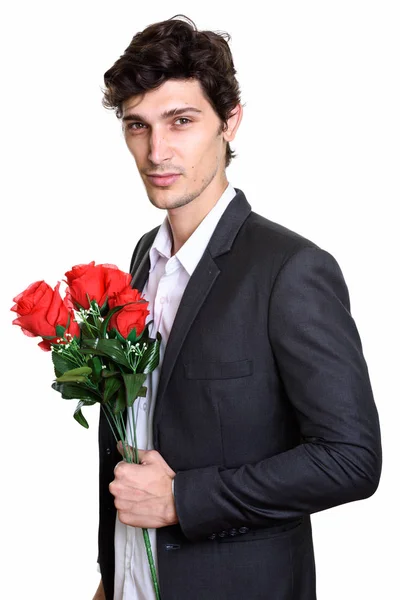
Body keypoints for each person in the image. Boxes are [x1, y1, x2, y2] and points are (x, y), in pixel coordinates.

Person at [93, 15, 382, 600]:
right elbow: (136, 433)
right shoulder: (141, 260)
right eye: (137, 126)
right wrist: (112, 575)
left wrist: (183, 501)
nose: (157, 150)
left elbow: (352, 459)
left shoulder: (291, 269)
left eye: (181, 121)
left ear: (230, 122)